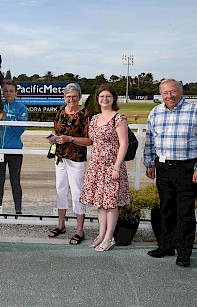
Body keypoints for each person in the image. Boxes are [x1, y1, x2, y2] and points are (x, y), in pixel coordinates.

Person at [144, 79, 197, 267]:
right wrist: (149, 163)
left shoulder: (196, 111)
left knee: (184, 211)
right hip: (163, 167)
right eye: (165, 93)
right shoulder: (155, 112)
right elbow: (150, 141)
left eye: (173, 91)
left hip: (188, 169)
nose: (170, 96)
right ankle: (166, 246)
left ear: (180, 92)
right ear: (161, 94)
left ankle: (184, 252)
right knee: (166, 209)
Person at [80, 83, 130, 251]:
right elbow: (92, 141)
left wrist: (116, 167)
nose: (105, 99)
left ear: (113, 98)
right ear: (97, 99)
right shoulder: (94, 118)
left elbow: (124, 144)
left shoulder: (119, 117)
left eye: (108, 96)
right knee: (101, 203)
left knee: (111, 203)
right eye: (102, 96)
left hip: (111, 165)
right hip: (96, 164)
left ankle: (109, 237)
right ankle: (101, 235)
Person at [47, 83, 92, 244]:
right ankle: (61, 225)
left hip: (77, 159)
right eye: (68, 96)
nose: (71, 99)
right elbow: (55, 130)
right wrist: (52, 138)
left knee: (77, 192)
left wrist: (70, 139)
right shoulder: (60, 111)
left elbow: (89, 140)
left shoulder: (85, 114)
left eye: (74, 96)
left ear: (79, 97)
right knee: (60, 189)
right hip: (60, 157)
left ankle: (80, 229)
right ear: (64, 97)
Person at [0, 80, 28, 214]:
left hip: (14, 150)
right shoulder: (0, 106)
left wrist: (6, 119)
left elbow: (20, 129)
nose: (8, 93)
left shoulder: (21, 108)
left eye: (11, 91)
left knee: (15, 181)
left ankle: (18, 210)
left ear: (16, 93)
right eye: (5, 91)